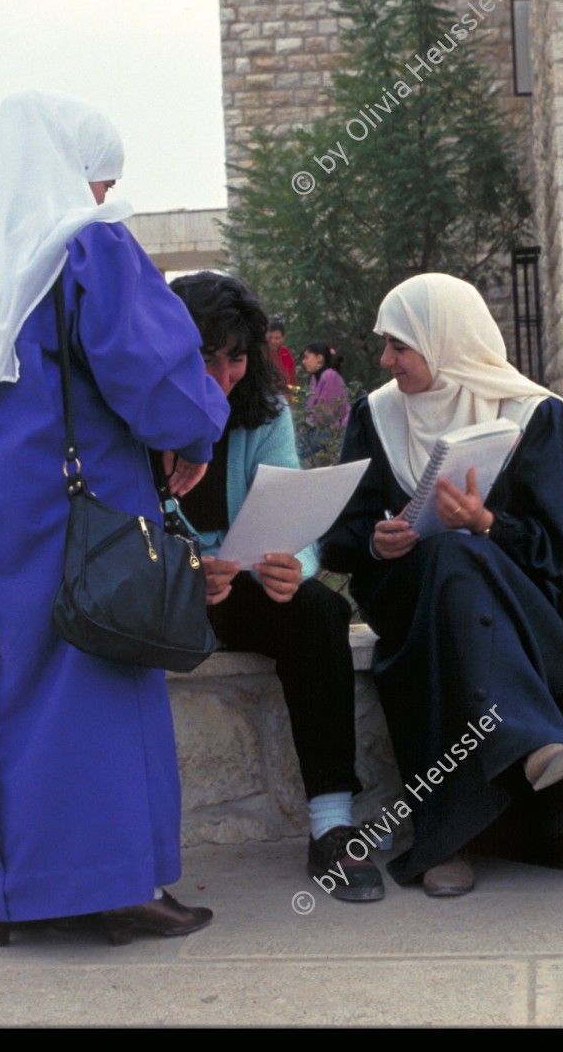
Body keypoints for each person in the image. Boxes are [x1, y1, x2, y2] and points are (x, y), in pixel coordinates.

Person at [0, 92, 231, 947]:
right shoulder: (84, 249)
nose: (102, 199)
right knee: (97, 680)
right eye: (100, 180)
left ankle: (15, 893)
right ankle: (117, 889)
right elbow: (152, 368)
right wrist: (192, 434)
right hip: (89, 514)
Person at [319, 273, 563, 897]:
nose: (385, 360)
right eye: (386, 345)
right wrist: (377, 540)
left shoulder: (533, 412)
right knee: (450, 564)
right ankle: (537, 747)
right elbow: (339, 541)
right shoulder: (375, 416)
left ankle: (445, 844)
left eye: (400, 345)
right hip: (405, 595)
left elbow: (545, 552)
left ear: (444, 340)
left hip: (518, 600)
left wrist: (485, 522)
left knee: (458, 560)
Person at [167, 274, 379, 903]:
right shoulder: (134, 413)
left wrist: (296, 565)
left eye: (236, 358)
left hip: (239, 589)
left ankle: (332, 826)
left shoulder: (264, 411)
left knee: (318, 609)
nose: (223, 375)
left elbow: (287, 510)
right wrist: (185, 573)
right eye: (207, 357)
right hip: (161, 595)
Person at [298, 341, 348, 460]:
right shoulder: (315, 378)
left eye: (306, 357)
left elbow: (326, 411)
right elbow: (310, 407)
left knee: (299, 453)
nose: (303, 362)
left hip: (333, 428)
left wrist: (307, 426)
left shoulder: (330, 376)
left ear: (319, 358)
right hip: (319, 426)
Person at [268, 316, 298, 391]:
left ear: (283, 337)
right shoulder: (262, 352)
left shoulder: (286, 352)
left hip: (285, 395)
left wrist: (293, 399)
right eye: (270, 337)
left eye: (277, 338)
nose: (273, 341)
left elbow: (292, 377)